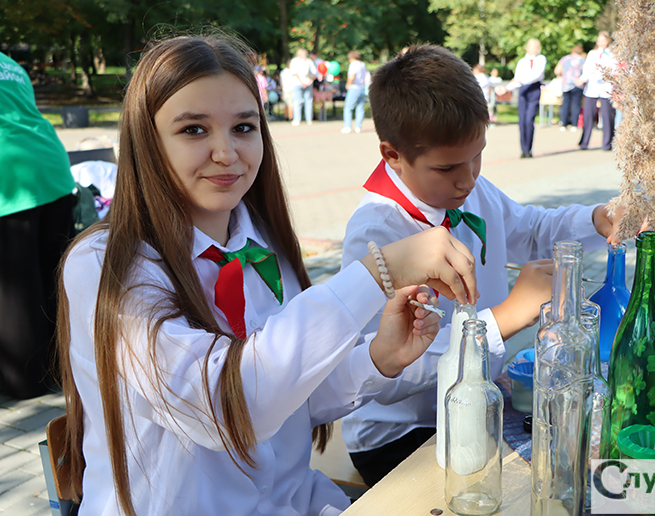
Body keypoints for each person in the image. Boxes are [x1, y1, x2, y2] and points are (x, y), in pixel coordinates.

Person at [56, 35, 479, 516]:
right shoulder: (105, 264)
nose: (226, 152)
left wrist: (378, 357)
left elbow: (289, 397)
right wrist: (378, 272)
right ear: (146, 143)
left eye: (243, 127)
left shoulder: (262, 241)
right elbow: (224, 410)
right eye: (194, 130)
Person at [339, 43, 624, 487]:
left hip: (477, 404)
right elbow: (381, 371)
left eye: (478, 155)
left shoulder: (470, 189)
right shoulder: (377, 232)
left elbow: (529, 230)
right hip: (403, 432)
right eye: (447, 167)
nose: (468, 177)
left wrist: (595, 218)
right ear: (392, 154)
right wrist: (504, 318)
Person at [0, 51, 76, 399]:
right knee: (55, 277)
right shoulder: (9, 63)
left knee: (15, 288)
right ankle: (66, 368)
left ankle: (24, 381)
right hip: (50, 165)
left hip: (10, 175)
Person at [501, 38, 546, 158]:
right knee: (522, 121)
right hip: (523, 90)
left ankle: (529, 149)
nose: (534, 49)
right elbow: (517, 79)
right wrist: (507, 88)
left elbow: (536, 75)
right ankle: (523, 149)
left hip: (534, 89)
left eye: (536, 47)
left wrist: (521, 80)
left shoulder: (541, 59)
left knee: (529, 119)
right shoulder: (522, 62)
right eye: (531, 46)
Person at [576, 31, 617, 150]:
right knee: (588, 115)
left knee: (607, 116)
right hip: (592, 88)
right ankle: (584, 142)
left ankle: (607, 143)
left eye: (603, 40)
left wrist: (600, 74)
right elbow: (587, 69)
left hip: (605, 88)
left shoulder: (612, 54)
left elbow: (613, 70)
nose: (601, 43)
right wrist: (582, 79)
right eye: (599, 40)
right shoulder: (592, 53)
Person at [554, 44, 586, 132]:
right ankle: (574, 125)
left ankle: (563, 124)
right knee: (576, 105)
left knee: (565, 104)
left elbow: (557, 71)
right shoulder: (582, 60)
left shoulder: (565, 59)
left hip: (566, 85)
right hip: (577, 84)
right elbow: (586, 72)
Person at [341, 50, 368, 134]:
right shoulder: (362, 64)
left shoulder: (353, 64)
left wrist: (348, 84)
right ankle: (358, 127)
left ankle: (348, 126)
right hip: (362, 87)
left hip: (354, 87)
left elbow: (352, 76)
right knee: (360, 107)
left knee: (348, 107)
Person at [289, 48, 316, 126]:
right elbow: (314, 73)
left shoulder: (294, 61)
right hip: (308, 83)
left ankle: (297, 119)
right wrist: (310, 81)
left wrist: (301, 82)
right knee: (308, 101)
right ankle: (309, 119)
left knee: (297, 101)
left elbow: (294, 73)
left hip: (297, 83)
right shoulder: (309, 61)